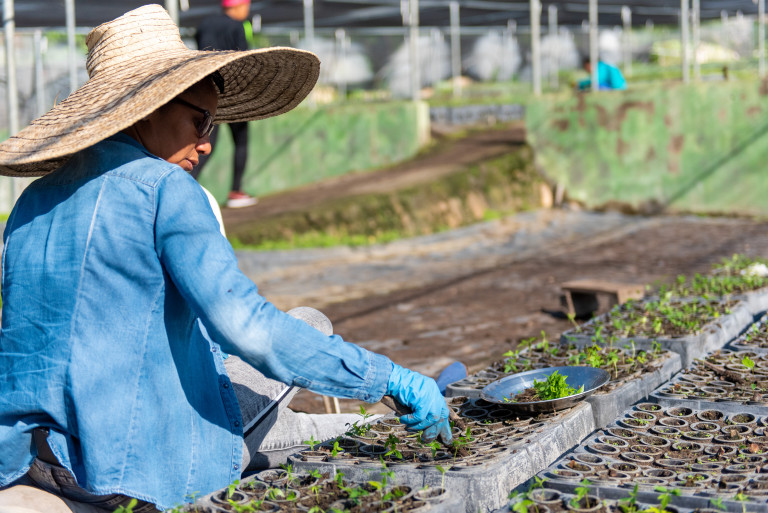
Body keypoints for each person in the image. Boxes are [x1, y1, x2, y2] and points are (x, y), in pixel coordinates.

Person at [0, 5, 451, 512]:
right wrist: (387, 378)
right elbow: (248, 330)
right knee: (305, 339)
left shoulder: (32, 201)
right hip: (126, 470)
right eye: (200, 121)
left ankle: (371, 416)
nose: (207, 143)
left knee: (299, 339)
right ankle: (393, 415)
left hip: (38, 458)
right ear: (147, 107)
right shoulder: (165, 188)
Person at [194, 0, 257, 208]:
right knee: (241, 142)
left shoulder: (205, 23)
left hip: (207, 91)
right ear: (238, 6)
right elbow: (244, 60)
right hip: (233, 92)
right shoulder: (238, 26)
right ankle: (236, 191)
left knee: (205, 144)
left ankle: (187, 184)